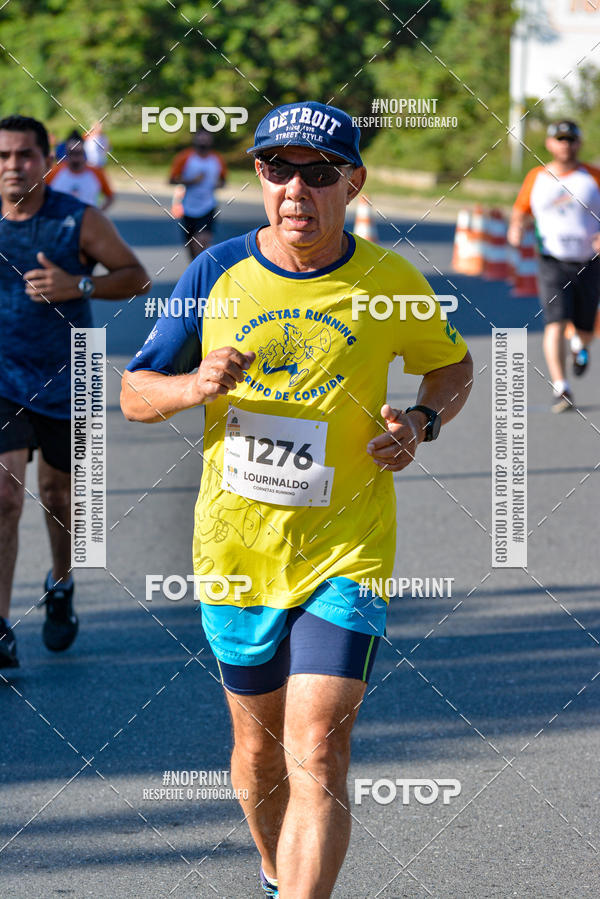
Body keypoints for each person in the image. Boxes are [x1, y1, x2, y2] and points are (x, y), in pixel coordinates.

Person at [121, 101, 472, 898]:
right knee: (259, 748)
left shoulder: (390, 281)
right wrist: (192, 384)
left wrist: (420, 420)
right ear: (259, 175)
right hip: (237, 553)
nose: (296, 190)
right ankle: (278, 870)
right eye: (279, 169)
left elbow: (452, 369)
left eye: (318, 174)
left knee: (318, 747)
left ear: (353, 182)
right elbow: (134, 393)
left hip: (347, 550)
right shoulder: (216, 273)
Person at [0, 115, 149, 669]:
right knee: (4, 496)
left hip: (71, 373)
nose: (14, 166)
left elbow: (136, 277)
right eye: (4, 156)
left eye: (25, 155)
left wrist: (78, 284)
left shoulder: (77, 220)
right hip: (2, 376)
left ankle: (60, 584)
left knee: (61, 499)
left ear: (46, 160)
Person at [508, 120, 600, 413]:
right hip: (551, 261)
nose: (565, 145)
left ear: (579, 144)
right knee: (556, 322)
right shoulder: (537, 177)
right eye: (560, 139)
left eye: (571, 140)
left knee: (585, 328)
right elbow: (521, 211)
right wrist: (516, 227)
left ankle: (579, 346)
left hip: (589, 261)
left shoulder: (593, 177)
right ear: (549, 144)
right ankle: (561, 387)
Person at [168, 128, 227, 260]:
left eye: (206, 138)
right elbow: (172, 180)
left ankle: (203, 271)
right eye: (201, 138)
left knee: (202, 241)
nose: (203, 141)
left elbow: (223, 181)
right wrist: (192, 181)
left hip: (208, 206)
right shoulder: (185, 157)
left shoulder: (217, 159)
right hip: (188, 207)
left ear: (211, 140)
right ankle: (196, 270)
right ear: (195, 139)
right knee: (191, 246)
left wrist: (217, 184)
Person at [46, 134, 115, 211]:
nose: (75, 158)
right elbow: (40, 194)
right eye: (71, 153)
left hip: (87, 221)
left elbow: (110, 196)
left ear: (84, 153)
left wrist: (98, 214)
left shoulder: (96, 172)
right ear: (66, 153)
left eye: (78, 153)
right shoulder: (55, 171)